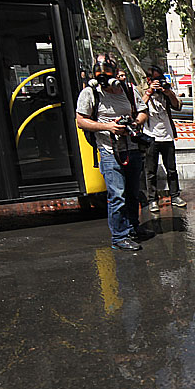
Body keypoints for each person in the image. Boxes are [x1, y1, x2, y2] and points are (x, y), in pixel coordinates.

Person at [75, 54, 155, 251]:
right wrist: (108, 127)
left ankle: (134, 228)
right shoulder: (90, 93)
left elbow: (143, 110)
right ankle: (119, 237)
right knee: (117, 195)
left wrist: (135, 123)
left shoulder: (128, 89)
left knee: (133, 193)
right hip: (109, 151)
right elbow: (81, 120)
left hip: (132, 149)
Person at [140, 65, 185, 213]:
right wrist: (149, 91)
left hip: (167, 135)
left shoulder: (166, 91)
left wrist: (167, 91)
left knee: (171, 169)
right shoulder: (142, 91)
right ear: (149, 80)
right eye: (156, 79)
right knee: (150, 171)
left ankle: (175, 196)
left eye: (160, 78)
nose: (159, 82)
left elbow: (178, 105)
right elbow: (137, 107)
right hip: (150, 136)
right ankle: (153, 199)